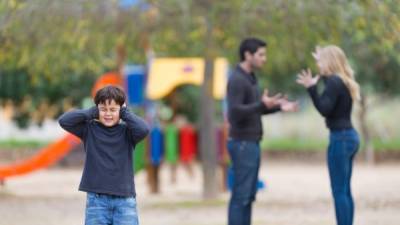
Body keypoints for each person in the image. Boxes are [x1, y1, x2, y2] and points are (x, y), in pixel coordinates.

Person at [226, 37, 298, 225]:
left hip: (252, 142)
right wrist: (261, 104)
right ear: (247, 55)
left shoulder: (250, 78)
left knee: (249, 196)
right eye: (261, 54)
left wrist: (279, 107)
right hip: (242, 143)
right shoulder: (237, 79)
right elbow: (234, 113)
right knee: (241, 197)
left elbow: (254, 110)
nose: (264, 58)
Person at [59, 85, 149, 225]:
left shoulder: (128, 132)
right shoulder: (89, 129)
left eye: (113, 110)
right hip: (97, 201)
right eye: (103, 109)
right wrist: (92, 112)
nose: (108, 114)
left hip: (125, 201)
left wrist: (124, 112)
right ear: (97, 110)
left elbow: (144, 129)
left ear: (121, 109)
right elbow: (64, 121)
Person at [297, 45, 361, 225]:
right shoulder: (343, 81)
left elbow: (324, 109)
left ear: (329, 62)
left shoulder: (334, 82)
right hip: (350, 136)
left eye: (320, 61)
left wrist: (311, 88)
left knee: (339, 191)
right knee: (345, 190)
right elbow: (330, 95)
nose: (318, 65)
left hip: (340, 138)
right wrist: (321, 67)